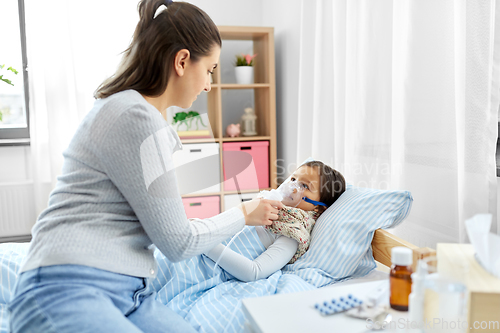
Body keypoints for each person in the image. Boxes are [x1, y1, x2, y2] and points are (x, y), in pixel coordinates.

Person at [7, 1, 282, 332]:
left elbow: (165, 203)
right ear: (182, 61)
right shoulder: (134, 116)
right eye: (209, 70)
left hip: (131, 292)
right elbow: (178, 243)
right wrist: (244, 212)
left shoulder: (141, 117)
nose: (209, 85)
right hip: (67, 284)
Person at [204, 161, 346, 282]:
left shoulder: (292, 231)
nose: (293, 186)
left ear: (318, 208)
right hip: (196, 250)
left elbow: (254, 272)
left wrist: (206, 243)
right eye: (293, 179)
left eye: (305, 186)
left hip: (204, 267)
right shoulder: (263, 206)